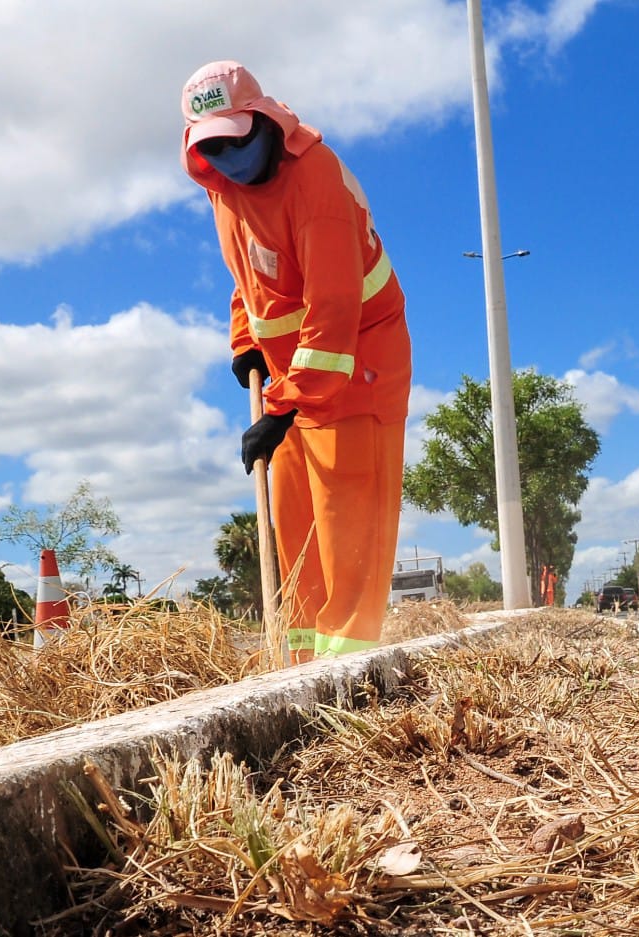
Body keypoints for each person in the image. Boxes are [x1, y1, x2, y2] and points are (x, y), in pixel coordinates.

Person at [181, 61, 411, 662]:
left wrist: (281, 408)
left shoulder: (317, 185)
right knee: (296, 521)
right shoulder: (224, 193)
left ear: (266, 121)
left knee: (346, 519)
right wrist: (245, 343)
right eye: (215, 146)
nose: (230, 157)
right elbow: (247, 280)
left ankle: (349, 670)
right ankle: (301, 662)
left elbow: (333, 312)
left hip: (358, 359)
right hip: (291, 372)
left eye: (239, 138)